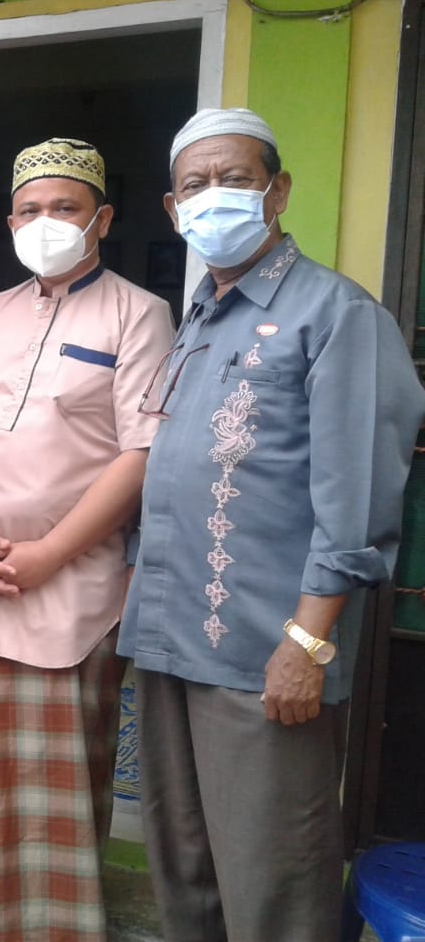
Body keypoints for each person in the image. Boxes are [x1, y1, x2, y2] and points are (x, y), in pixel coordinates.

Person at [118, 108, 425, 942]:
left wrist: (308, 644)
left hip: (267, 657)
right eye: (195, 185)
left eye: (236, 178)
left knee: (273, 881)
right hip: (171, 640)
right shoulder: (198, 316)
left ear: (277, 190)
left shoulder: (337, 314)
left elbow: (359, 498)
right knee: (184, 865)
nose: (213, 196)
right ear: (173, 208)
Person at [0, 139, 174, 942]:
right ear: (11, 220)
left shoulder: (138, 313)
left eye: (65, 207)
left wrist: (49, 553)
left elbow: (142, 452)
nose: (45, 221)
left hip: (71, 585)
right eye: (30, 209)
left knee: (51, 784)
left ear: (103, 220)